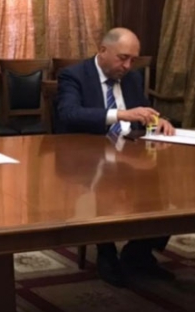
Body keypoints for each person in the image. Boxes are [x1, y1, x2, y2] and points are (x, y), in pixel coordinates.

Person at [56, 27, 175, 287]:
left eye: (133, 60)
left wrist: (159, 119)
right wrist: (120, 115)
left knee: (167, 188)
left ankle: (139, 252)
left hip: (128, 152)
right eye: (123, 58)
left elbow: (142, 111)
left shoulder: (131, 77)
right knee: (105, 190)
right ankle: (106, 252)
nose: (128, 66)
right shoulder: (74, 75)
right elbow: (69, 113)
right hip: (86, 156)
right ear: (103, 51)